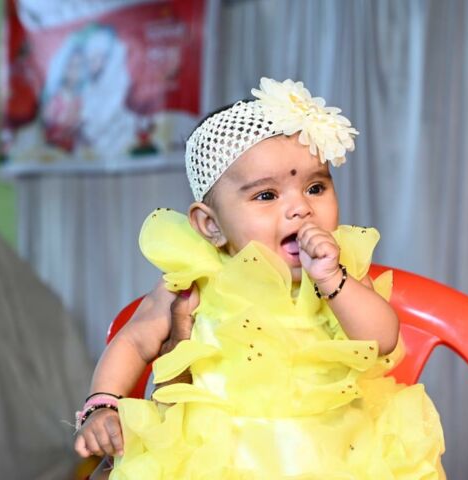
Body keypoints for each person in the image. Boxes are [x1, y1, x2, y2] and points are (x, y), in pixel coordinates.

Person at [74, 77, 446, 479]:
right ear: (211, 225)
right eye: (267, 195)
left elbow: (382, 339)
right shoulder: (193, 282)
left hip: (336, 456)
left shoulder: (338, 277)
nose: (300, 208)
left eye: (315, 187)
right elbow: (133, 340)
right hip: (216, 461)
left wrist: (332, 280)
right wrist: (102, 404)